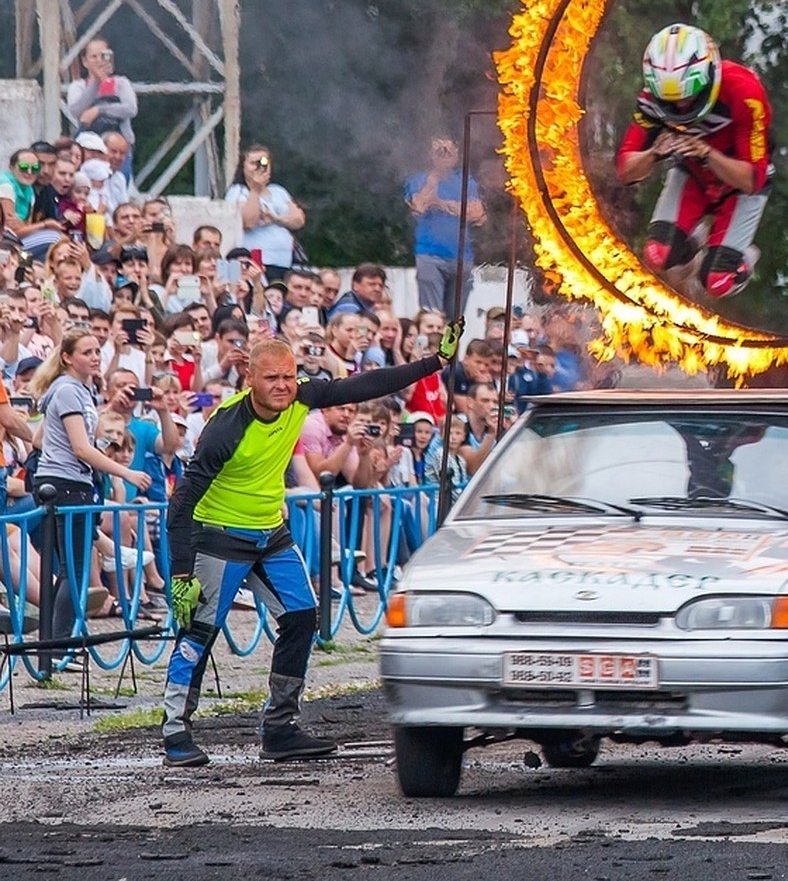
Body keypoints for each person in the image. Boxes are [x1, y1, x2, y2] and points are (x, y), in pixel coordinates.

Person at [160, 316, 464, 767]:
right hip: (219, 536)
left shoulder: (302, 394)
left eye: (288, 376)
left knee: (304, 617)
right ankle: (175, 731)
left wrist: (434, 362)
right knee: (199, 632)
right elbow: (181, 502)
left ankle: (280, 728)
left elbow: (362, 386)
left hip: (270, 532)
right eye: (272, 379)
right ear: (250, 379)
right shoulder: (225, 428)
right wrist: (182, 573)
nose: (283, 386)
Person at [616, 23, 774, 299]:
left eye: (688, 96)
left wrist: (705, 153)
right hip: (692, 174)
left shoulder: (745, 93)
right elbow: (627, 170)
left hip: (739, 184)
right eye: (670, 100)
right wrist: (655, 153)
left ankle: (743, 257)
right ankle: (695, 240)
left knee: (716, 282)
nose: (680, 107)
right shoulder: (650, 99)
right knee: (657, 255)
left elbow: (752, 180)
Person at [28, 328, 152, 657]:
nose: (95, 357)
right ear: (67, 357)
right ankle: (55, 649)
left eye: (97, 351)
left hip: (67, 481)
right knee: (76, 571)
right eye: (87, 352)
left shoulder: (76, 390)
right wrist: (126, 471)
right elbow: (81, 449)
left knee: (72, 569)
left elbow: (40, 439)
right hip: (67, 485)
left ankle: (52, 648)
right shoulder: (68, 390)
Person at [405, 137, 484, 317]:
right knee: (432, 316)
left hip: (462, 257)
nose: (445, 155)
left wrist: (440, 203)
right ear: (430, 155)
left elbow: (477, 214)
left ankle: (450, 347)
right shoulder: (419, 180)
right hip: (430, 254)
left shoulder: (467, 182)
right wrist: (434, 179)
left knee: (455, 322)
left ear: (457, 154)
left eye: (449, 150)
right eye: (439, 151)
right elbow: (419, 206)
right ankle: (432, 345)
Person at [224, 145, 306, 283]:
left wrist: (276, 218)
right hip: (258, 262)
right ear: (243, 166)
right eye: (253, 163)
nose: (259, 167)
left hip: (285, 262)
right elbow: (249, 222)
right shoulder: (237, 192)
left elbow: (299, 220)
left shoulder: (278, 191)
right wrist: (255, 191)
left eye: (263, 162)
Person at [67, 38, 139, 180]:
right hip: (89, 149)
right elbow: (77, 111)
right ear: (85, 61)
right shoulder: (78, 86)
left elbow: (130, 109)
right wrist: (96, 83)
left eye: (103, 56)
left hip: (118, 147)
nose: (99, 60)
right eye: (94, 57)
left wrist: (99, 110)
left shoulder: (121, 83)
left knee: (119, 182)